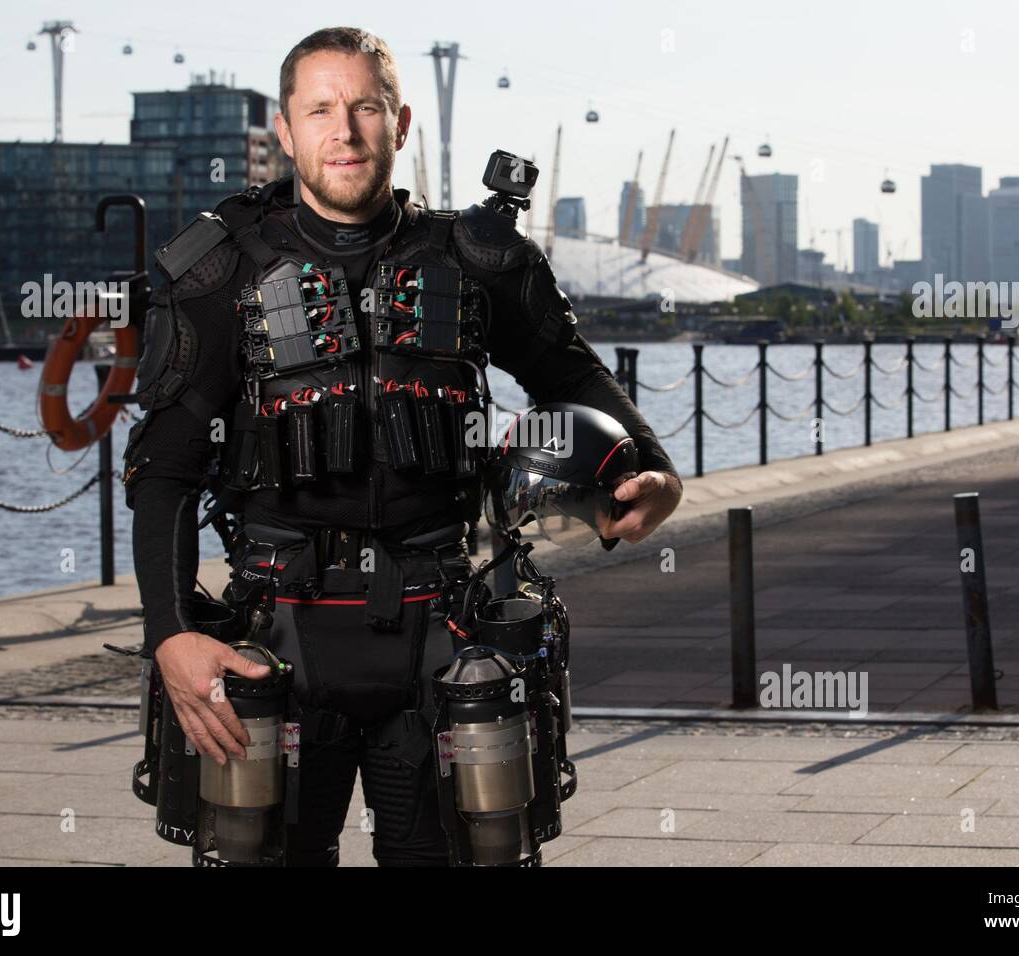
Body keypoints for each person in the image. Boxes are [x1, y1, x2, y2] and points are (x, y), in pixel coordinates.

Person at [123, 26, 683, 867]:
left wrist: (653, 469)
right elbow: (160, 470)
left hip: (443, 638)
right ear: (285, 131)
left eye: (364, 108)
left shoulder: (478, 259)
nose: (343, 131)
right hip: (275, 639)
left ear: (401, 122)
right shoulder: (219, 271)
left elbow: (571, 376)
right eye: (319, 110)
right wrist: (169, 631)